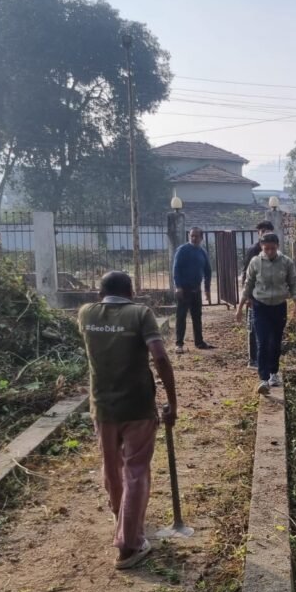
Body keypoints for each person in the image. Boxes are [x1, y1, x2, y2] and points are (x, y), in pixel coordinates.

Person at [77, 271, 177, 570]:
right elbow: (159, 357)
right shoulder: (140, 314)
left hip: (103, 407)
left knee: (112, 467)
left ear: (99, 293)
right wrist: (172, 400)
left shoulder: (86, 314)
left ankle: (121, 519)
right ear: (131, 291)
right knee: (136, 471)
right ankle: (129, 545)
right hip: (137, 406)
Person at [235, 233, 296, 394]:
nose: (270, 251)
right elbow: (248, 285)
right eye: (266, 249)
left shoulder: (286, 262)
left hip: (279, 306)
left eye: (273, 248)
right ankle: (263, 379)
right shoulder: (255, 262)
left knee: (275, 341)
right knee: (263, 341)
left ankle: (273, 373)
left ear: (277, 246)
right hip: (260, 306)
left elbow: (293, 284)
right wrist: (240, 307)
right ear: (261, 247)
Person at [172, 227, 215, 354]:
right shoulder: (182, 250)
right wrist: (178, 286)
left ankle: (199, 342)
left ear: (202, 238)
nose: (194, 238)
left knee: (197, 316)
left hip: (196, 290)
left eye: (197, 236)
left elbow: (208, 271)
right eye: (192, 236)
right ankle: (179, 344)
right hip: (184, 290)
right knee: (181, 316)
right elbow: (176, 269)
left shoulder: (202, 252)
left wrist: (207, 289)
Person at [240, 220, 275, 368]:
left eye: (268, 230)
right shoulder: (254, 250)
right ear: (258, 233)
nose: (265, 233)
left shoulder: (273, 250)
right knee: (254, 327)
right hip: (255, 296)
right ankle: (253, 359)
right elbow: (246, 274)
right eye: (262, 231)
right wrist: (248, 297)